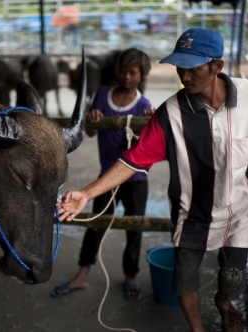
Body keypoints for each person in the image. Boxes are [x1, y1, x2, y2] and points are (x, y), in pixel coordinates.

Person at [55, 28, 248, 332]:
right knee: (183, 280)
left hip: (239, 211)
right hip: (192, 212)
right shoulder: (170, 114)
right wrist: (87, 194)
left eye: (192, 68)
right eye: (180, 67)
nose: (184, 76)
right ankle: (197, 329)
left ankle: (223, 301)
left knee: (233, 278)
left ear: (216, 66)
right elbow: (133, 159)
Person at [50, 48, 154, 301]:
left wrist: (145, 125)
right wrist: (93, 118)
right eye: (122, 71)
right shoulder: (102, 95)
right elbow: (92, 133)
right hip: (105, 178)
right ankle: (82, 275)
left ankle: (131, 275)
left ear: (142, 74)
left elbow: (143, 148)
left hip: (136, 179)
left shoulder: (145, 107)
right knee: (95, 223)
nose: (126, 76)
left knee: (134, 228)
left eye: (132, 72)